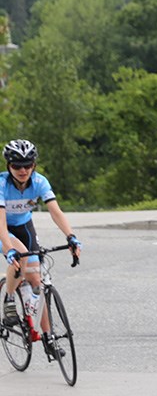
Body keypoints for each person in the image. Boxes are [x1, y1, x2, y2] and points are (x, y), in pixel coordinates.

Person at [0, 139, 82, 359]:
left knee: (38, 282)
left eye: (28, 165)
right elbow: (1, 222)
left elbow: (55, 211)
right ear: (8, 166)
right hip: (2, 228)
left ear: (34, 165)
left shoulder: (39, 182)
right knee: (20, 256)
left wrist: (71, 237)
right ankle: (9, 299)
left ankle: (48, 338)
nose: (23, 170)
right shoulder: (1, 184)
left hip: (24, 226)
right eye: (17, 166)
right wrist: (8, 249)